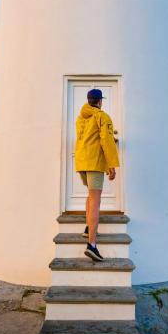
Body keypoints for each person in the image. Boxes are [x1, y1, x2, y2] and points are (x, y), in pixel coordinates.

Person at [75, 88, 120, 261]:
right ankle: (92, 245)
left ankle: (88, 228)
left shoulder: (80, 118)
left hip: (82, 161)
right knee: (95, 200)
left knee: (90, 195)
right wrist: (111, 165)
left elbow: (88, 137)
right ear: (100, 101)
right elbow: (106, 141)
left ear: (88, 100)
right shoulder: (102, 116)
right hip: (94, 162)